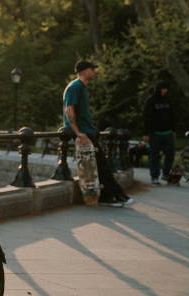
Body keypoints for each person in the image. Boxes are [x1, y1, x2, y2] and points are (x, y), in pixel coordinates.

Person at [63, 60, 133, 207]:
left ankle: (114, 196)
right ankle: (110, 197)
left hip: (88, 131)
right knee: (100, 165)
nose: (95, 71)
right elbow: (69, 110)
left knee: (101, 165)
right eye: (92, 69)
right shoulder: (75, 87)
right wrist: (78, 133)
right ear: (83, 71)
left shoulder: (82, 87)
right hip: (83, 133)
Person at [143, 81, 176, 185]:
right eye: (163, 88)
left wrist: (174, 130)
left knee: (170, 154)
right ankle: (154, 176)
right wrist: (146, 133)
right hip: (155, 133)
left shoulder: (169, 100)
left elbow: (173, 116)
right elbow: (146, 117)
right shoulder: (151, 101)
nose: (165, 90)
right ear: (158, 89)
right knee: (154, 156)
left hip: (168, 132)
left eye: (166, 89)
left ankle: (166, 173)